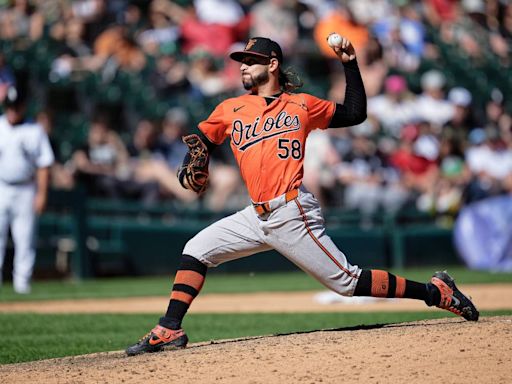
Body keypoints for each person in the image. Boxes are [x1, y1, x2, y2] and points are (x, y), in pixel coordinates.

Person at [126, 36, 479, 356]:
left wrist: (349, 64)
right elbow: (202, 137)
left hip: (292, 211)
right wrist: (195, 156)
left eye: (251, 60)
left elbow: (355, 113)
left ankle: (436, 292)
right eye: (242, 61)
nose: (243, 66)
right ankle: (169, 328)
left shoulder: (301, 105)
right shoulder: (231, 108)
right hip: (255, 215)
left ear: (273, 64)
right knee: (196, 249)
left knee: (347, 281)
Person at [0, 85, 54, 293]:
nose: (12, 111)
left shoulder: (34, 130)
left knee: (25, 238)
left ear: (23, 107)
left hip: (25, 188)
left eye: (16, 107)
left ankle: (22, 284)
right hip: (2, 186)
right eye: (9, 107)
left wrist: (41, 193)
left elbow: (44, 165)